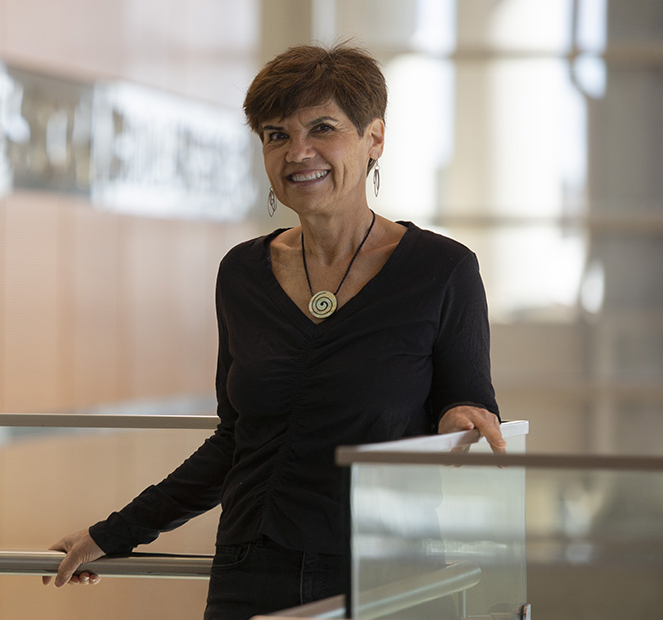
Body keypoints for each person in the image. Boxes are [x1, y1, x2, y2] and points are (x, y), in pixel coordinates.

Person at [42, 43, 505, 620]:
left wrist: (459, 420)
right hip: (251, 570)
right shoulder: (242, 272)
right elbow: (236, 441)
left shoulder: (443, 270)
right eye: (275, 134)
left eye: (322, 128)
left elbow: (468, 404)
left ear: (374, 140)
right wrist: (113, 533)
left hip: (386, 574)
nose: (298, 152)